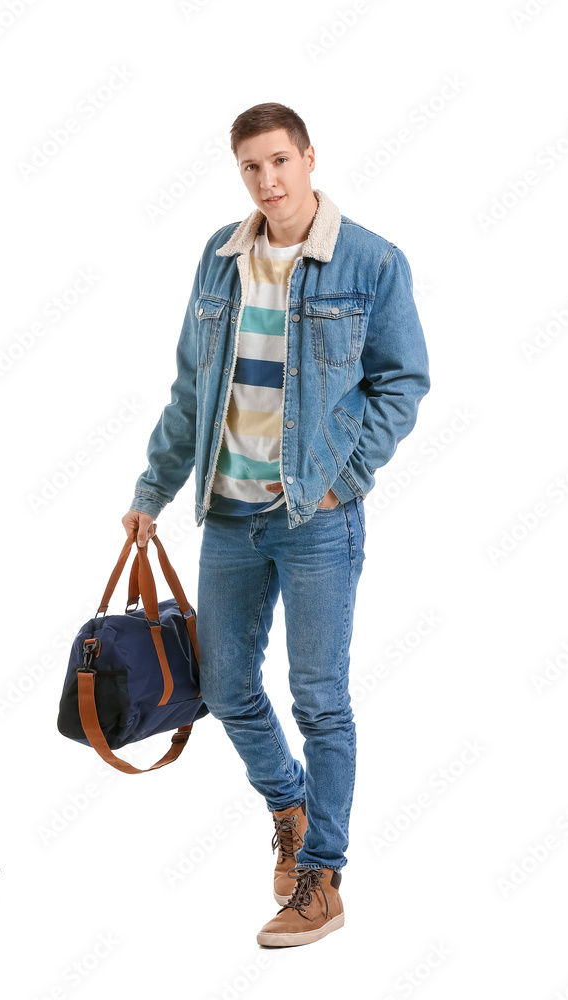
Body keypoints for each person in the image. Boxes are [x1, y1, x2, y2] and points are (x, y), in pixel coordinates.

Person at [122, 102, 430, 947]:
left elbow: (405, 380)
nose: (267, 182)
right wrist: (153, 489)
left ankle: (322, 877)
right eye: (251, 168)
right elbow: (192, 387)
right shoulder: (221, 260)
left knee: (320, 699)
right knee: (222, 689)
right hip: (227, 513)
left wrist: (343, 477)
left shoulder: (370, 260)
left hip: (315, 519)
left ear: (309, 159)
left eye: (279, 162)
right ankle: (289, 806)